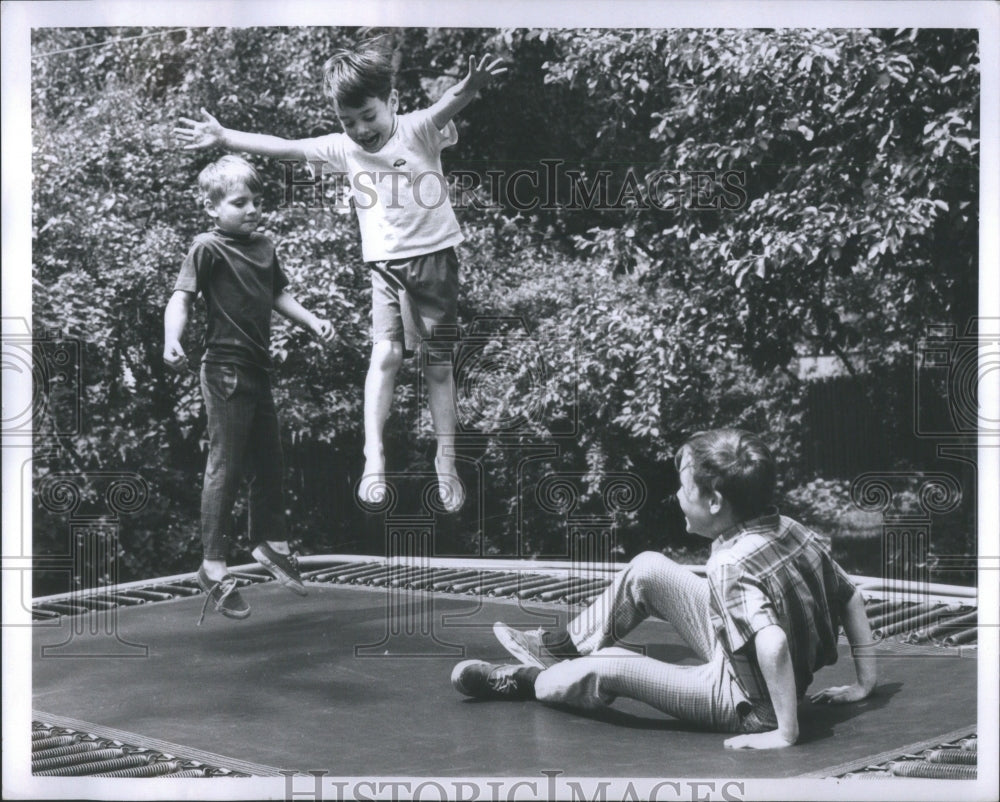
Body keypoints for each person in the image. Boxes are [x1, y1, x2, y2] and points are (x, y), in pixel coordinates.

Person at [173, 39, 506, 513]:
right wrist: (227, 137)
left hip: (434, 260)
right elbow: (287, 149)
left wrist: (470, 88)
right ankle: (374, 456)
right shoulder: (343, 147)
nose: (360, 130)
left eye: (368, 116)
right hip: (384, 266)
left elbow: (443, 105)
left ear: (391, 101)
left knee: (436, 366)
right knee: (386, 354)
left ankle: (446, 461)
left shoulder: (416, 132)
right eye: (348, 122)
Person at [452, 429, 878, 750]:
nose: (675, 495)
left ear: (714, 502)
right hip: (743, 658)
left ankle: (532, 680)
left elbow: (773, 643)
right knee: (648, 568)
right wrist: (864, 684)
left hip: (745, 701)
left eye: (683, 486)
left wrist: (785, 731)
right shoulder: (790, 528)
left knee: (609, 665)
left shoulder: (729, 564)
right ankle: (562, 647)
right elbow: (851, 596)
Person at [164, 155, 335, 624]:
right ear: (213, 207)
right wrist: (170, 338)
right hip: (223, 368)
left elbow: (277, 295)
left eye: (256, 200)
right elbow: (182, 297)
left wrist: (312, 319)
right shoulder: (207, 246)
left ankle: (272, 544)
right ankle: (213, 568)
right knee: (227, 464)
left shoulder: (263, 246)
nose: (252, 209)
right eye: (240, 202)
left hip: (258, 368)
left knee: (272, 461)